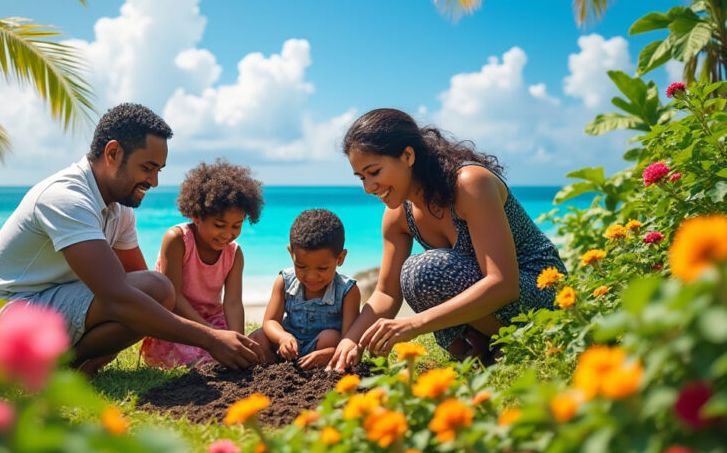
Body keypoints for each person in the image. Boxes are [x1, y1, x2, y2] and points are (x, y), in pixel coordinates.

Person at [0, 103, 262, 372]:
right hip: (8, 317)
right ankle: (53, 366)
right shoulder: (66, 198)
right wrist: (210, 339)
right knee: (148, 292)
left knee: (156, 292)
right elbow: (117, 296)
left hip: (51, 305)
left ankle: (69, 366)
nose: (154, 182)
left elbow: (150, 289)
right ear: (112, 153)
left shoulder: (119, 211)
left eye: (158, 170)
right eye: (147, 168)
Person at [327, 108, 566, 371]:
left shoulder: (469, 184)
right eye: (362, 178)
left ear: (408, 156)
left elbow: (503, 283)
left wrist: (414, 325)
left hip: (543, 292)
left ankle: (518, 346)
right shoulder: (397, 216)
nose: (368, 187)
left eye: (374, 172)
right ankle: (478, 353)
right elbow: (386, 293)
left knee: (423, 270)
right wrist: (350, 341)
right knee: (412, 277)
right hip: (500, 306)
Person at [140, 160, 265, 368]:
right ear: (196, 215)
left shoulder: (234, 253)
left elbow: (233, 303)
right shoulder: (178, 240)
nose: (228, 234)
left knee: (248, 348)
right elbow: (174, 297)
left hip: (212, 320)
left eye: (236, 226)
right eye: (219, 225)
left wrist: (236, 340)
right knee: (200, 358)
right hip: (177, 321)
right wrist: (212, 336)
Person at [252, 209, 361, 369]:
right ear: (291, 254)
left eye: (322, 268)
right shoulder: (284, 281)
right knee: (258, 337)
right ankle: (274, 370)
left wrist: (330, 353)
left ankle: (317, 368)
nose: (311, 276)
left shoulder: (347, 291)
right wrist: (282, 337)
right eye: (301, 266)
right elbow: (270, 321)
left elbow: (348, 339)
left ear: (340, 258)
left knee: (330, 337)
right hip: (287, 348)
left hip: (321, 350)